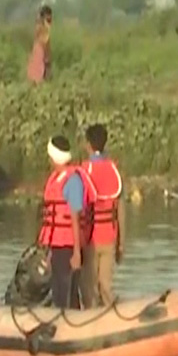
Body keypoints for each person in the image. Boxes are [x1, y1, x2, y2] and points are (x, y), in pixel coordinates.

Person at [36, 134, 93, 310]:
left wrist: (77, 252)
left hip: (69, 246)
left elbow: (75, 216)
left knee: (69, 292)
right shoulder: (56, 178)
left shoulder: (73, 180)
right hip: (57, 245)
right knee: (58, 291)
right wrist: (50, 252)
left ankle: (74, 326)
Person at [80, 123, 124, 308]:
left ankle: (91, 323)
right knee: (106, 286)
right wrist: (122, 243)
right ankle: (112, 317)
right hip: (110, 237)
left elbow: (79, 208)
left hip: (90, 239)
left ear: (88, 145)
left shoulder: (84, 170)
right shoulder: (114, 170)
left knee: (89, 288)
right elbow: (120, 211)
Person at [26, 5, 53, 85]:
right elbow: (45, 43)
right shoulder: (43, 28)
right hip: (40, 56)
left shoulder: (38, 27)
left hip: (37, 55)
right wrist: (47, 59)